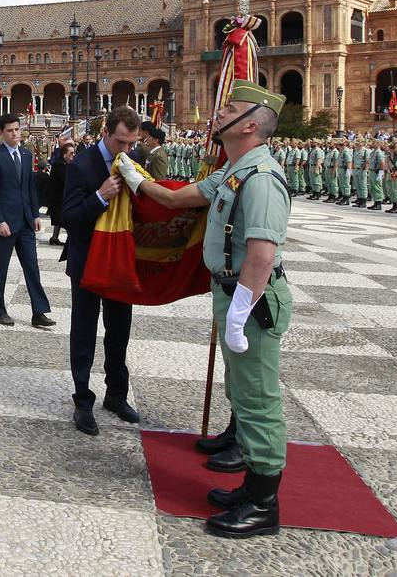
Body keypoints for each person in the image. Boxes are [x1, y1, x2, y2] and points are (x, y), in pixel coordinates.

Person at [134, 80, 292, 539]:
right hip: (233, 294)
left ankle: (264, 504)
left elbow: (262, 254)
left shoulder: (260, 178)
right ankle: (250, 487)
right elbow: (177, 198)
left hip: (253, 300)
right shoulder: (235, 171)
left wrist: (242, 309)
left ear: (250, 125)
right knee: (242, 390)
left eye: (231, 108)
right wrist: (135, 178)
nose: (218, 112)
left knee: (259, 399)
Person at [61, 105, 141, 437]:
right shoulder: (81, 165)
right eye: (121, 142)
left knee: (119, 329)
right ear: (106, 132)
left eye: (131, 143)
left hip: (120, 261)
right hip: (87, 260)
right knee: (84, 332)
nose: (126, 150)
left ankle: (116, 395)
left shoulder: (136, 164)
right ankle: (83, 401)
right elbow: (68, 216)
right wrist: (100, 196)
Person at [0, 113, 54, 328]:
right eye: (10, 130)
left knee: (32, 266)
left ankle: (39, 311)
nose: (15, 133)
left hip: (25, 222)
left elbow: (29, 188)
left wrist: (34, 213)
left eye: (17, 129)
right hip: (5, 223)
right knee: (1, 267)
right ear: (1, 133)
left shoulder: (25, 154)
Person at [46, 138, 73, 246]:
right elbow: (67, 180)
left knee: (59, 219)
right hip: (58, 198)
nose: (73, 155)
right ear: (64, 154)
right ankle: (73, 239)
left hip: (60, 197)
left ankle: (54, 237)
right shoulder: (60, 165)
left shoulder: (65, 164)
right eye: (71, 153)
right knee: (64, 219)